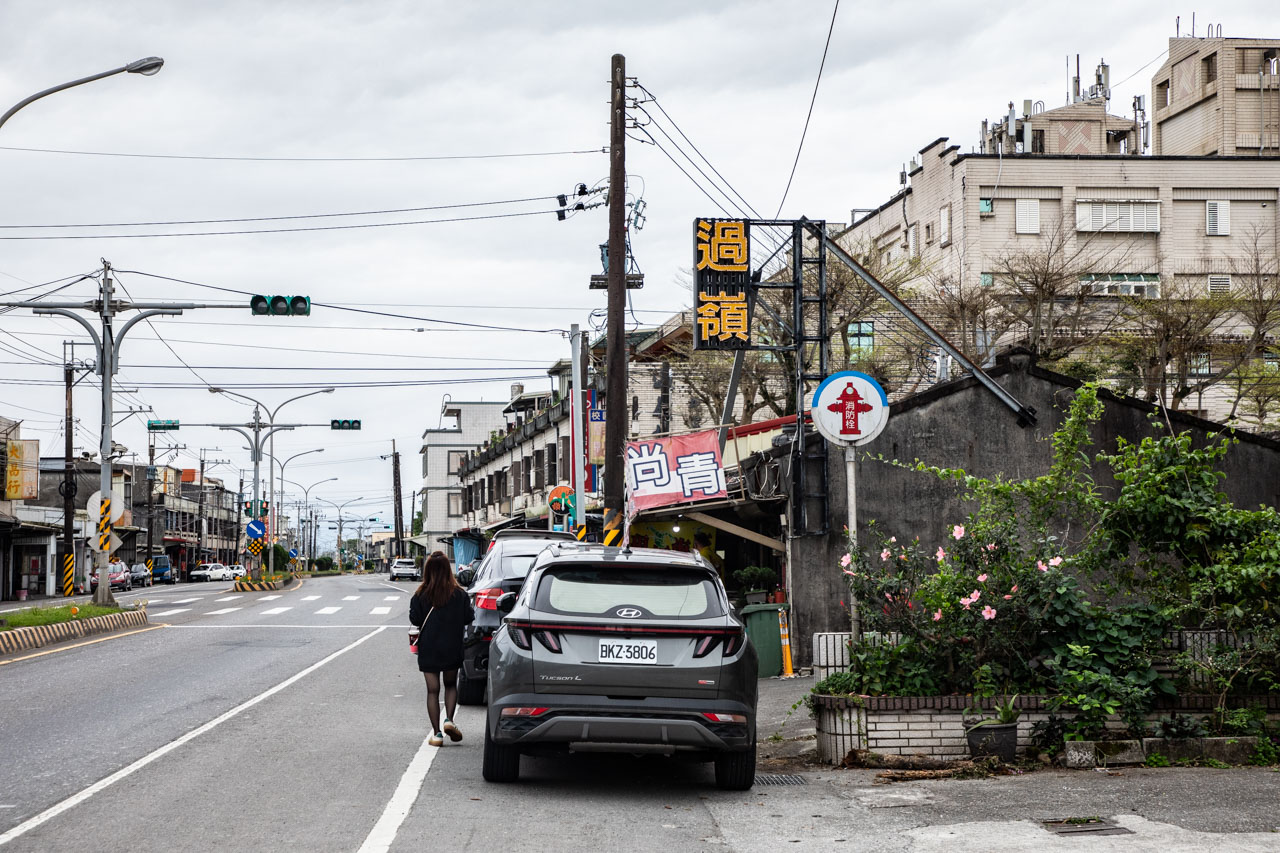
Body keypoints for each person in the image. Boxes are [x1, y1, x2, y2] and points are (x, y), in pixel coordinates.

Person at [409, 550, 474, 747]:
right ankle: (449, 720)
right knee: (451, 685)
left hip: (429, 647)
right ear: (448, 570)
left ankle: (437, 734)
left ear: (427, 571)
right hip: (452, 645)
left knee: (432, 691)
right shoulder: (460, 594)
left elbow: (415, 619)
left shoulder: (420, 595)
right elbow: (469, 618)